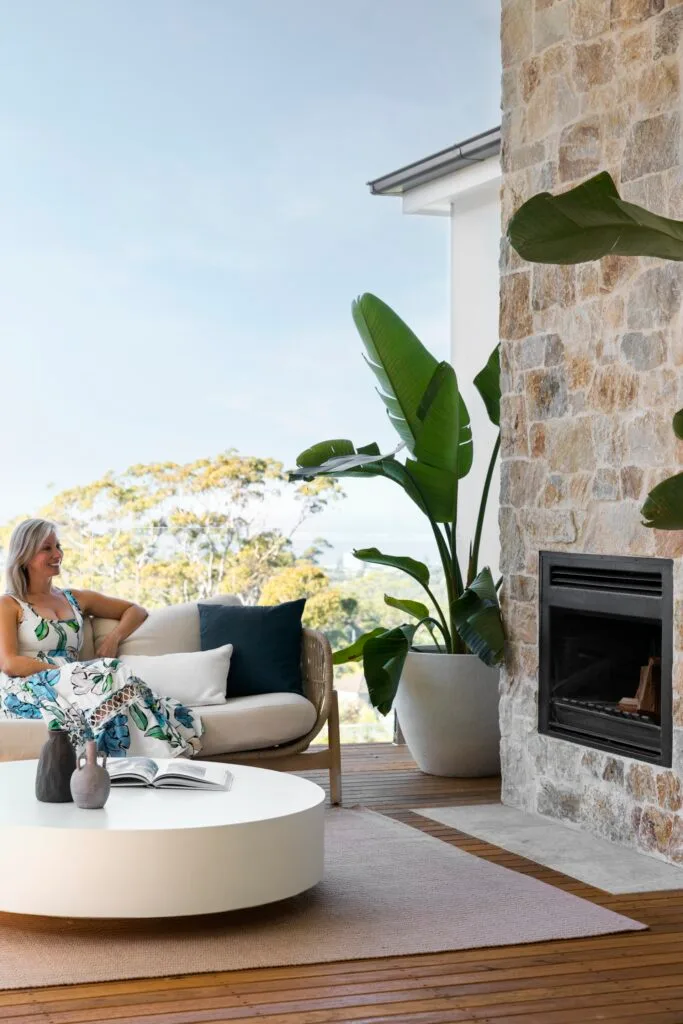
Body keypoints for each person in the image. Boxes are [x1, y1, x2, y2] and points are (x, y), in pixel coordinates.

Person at [0, 518, 203, 757]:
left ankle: (138, 763)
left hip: (79, 681)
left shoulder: (74, 598)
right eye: (47, 548)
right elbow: (9, 663)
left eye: (58, 546)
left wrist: (113, 638)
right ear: (24, 556)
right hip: (30, 687)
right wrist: (71, 672)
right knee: (111, 673)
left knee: (116, 678)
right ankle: (169, 758)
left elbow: (135, 610)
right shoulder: (9, 604)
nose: (57, 554)